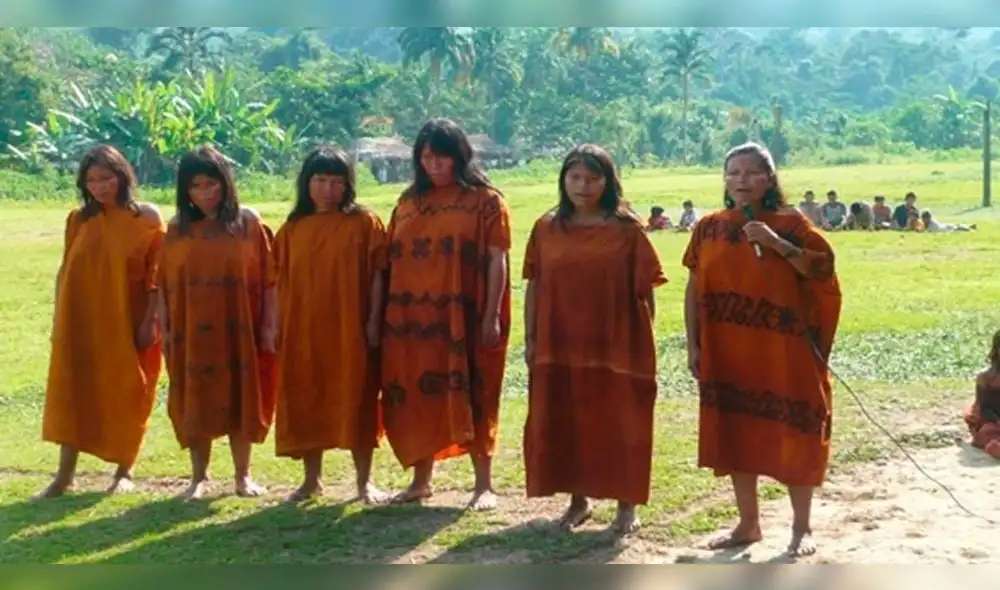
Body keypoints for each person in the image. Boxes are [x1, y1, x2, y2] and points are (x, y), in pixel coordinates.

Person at [683, 142, 842, 557]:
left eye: (752, 173)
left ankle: (802, 526)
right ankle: (747, 523)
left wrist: (777, 244)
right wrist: (693, 341)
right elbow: (694, 285)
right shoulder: (710, 227)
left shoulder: (793, 225)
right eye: (733, 173)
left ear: (769, 179)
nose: (742, 181)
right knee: (739, 433)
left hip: (784, 351)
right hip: (729, 350)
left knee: (797, 430)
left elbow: (822, 270)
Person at [522, 144, 667, 536]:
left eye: (592, 178)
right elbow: (535, 284)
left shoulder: (626, 229)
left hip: (617, 343)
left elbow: (646, 290)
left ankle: (626, 505)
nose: (583, 186)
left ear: (608, 181)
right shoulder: (546, 228)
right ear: (563, 180)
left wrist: (641, 341)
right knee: (568, 418)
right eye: (575, 177)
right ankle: (578, 500)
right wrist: (531, 336)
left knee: (622, 419)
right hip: (561, 343)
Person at [380, 118, 512, 510]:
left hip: (465, 314)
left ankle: (483, 485)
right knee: (417, 393)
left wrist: (491, 315)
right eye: (427, 157)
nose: (434, 166)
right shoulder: (407, 203)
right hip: (410, 322)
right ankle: (420, 481)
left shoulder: (485, 200)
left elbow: (496, 259)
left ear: (459, 157)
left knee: (475, 389)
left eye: (443, 157)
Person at [37, 145, 165, 498]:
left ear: (123, 176)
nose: (100, 186)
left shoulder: (147, 218)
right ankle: (64, 476)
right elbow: (67, 270)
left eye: (106, 178)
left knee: (129, 390)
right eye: (91, 180)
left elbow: (158, 277)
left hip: (128, 319)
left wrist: (150, 321)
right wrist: (58, 319)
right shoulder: (79, 220)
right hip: (80, 320)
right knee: (74, 391)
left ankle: (125, 469)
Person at [157, 145, 278, 500]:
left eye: (212, 184)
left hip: (240, 328)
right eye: (195, 186)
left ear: (226, 184)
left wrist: (270, 326)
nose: (205, 193)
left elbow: (270, 281)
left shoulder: (248, 223)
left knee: (242, 398)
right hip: (191, 332)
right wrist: (166, 330)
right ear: (185, 190)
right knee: (197, 398)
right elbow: (164, 284)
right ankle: (199, 477)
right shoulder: (178, 228)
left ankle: (243, 476)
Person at [271, 145, 389, 504]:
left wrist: (373, 320)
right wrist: (275, 325)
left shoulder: (363, 223)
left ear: (348, 185)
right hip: (304, 327)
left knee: (357, 398)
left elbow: (379, 275)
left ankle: (364, 481)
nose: (328, 189)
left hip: (350, 326)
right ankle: (311, 480)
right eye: (320, 180)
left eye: (337, 181)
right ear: (307, 183)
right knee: (308, 398)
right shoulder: (292, 229)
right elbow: (277, 280)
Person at [964, 330, 1000, 460]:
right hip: (992, 420)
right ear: (996, 351)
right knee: (988, 432)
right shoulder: (985, 377)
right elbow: (984, 408)